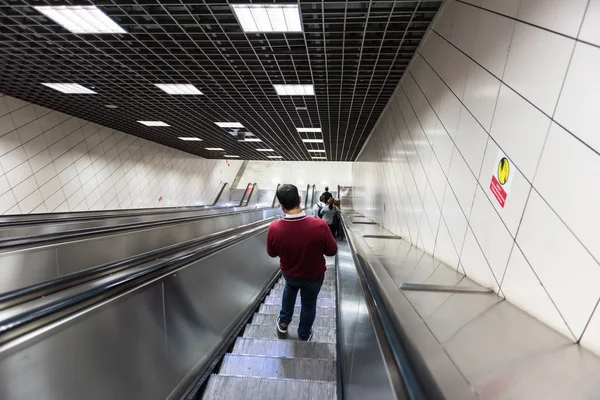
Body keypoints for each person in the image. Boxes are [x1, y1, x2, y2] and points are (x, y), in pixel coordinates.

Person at [266, 184, 338, 341]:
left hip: (290, 273)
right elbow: (331, 251)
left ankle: (283, 323)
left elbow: (272, 253)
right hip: (314, 275)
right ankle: (304, 333)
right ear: (299, 199)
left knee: (289, 290)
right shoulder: (319, 226)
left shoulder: (274, 228)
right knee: (309, 304)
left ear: (281, 206)